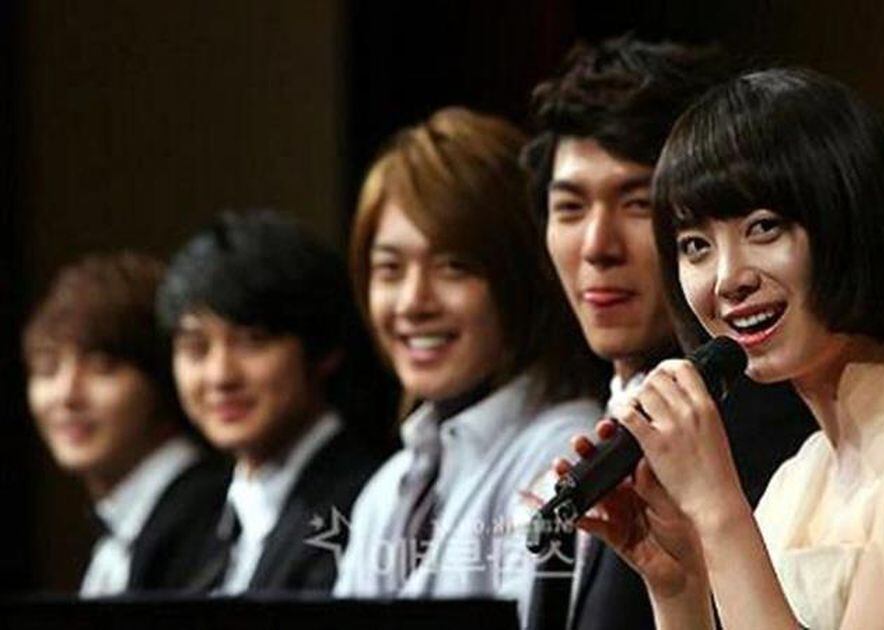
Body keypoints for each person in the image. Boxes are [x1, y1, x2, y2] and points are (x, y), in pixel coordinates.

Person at [571, 67, 884, 629]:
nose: (727, 279)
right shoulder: (802, 474)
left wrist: (716, 507)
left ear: (852, 218)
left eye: (764, 228)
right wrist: (678, 585)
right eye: (696, 246)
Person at [521, 36, 815, 629]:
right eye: (570, 208)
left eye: (636, 204)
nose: (597, 247)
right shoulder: (605, 434)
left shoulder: (771, 435)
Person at [333, 107, 604, 624]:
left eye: (454, 267)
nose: (413, 302)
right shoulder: (387, 487)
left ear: (524, 275)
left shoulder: (566, 456)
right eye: (389, 269)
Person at [156, 210, 392, 594]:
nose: (220, 376)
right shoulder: (201, 524)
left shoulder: (365, 503)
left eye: (252, 342)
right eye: (196, 348)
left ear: (324, 348)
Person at [23, 252, 228, 595]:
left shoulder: (204, 517)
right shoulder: (128, 522)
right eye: (47, 368)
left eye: (102, 368)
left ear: (163, 378)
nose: (66, 395)